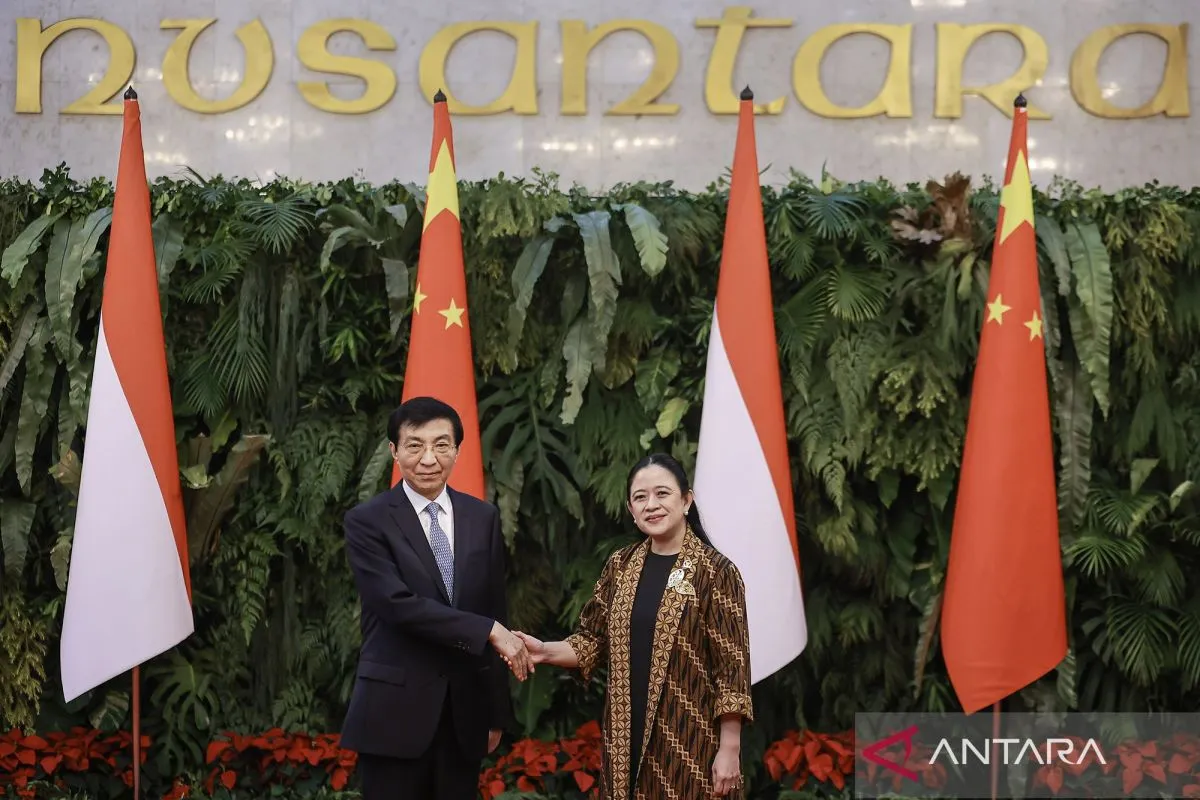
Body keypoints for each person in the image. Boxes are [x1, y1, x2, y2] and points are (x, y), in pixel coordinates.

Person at [516, 453, 753, 799]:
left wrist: (730, 748)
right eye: (640, 497)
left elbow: (731, 667)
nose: (651, 505)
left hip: (691, 741)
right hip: (624, 740)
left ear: (686, 500)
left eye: (662, 494)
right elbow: (592, 641)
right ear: (631, 509)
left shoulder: (716, 571)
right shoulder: (620, 565)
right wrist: (545, 651)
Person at [340, 396, 533, 800]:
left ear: (458, 450)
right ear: (394, 451)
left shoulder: (482, 517)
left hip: (463, 717)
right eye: (415, 445)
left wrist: (495, 712)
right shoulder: (367, 521)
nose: (429, 458)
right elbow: (397, 605)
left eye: (441, 445)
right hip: (393, 714)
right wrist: (488, 630)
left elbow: (493, 608)